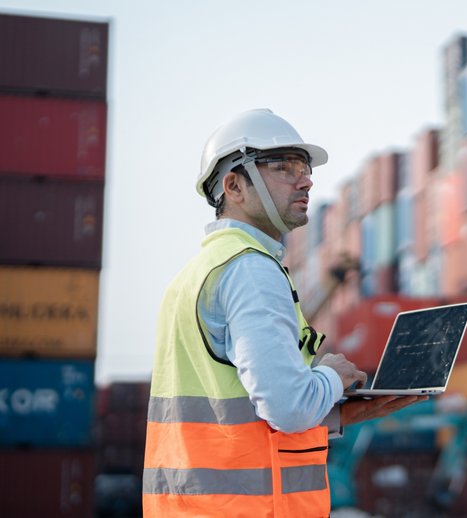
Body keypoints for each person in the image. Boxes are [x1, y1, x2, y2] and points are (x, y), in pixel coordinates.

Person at [142, 109, 424, 517]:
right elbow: (287, 408)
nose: (306, 179)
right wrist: (333, 376)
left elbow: (233, 417)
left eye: (305, 167)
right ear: (234, 186)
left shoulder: (195, 276)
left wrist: (335, 412)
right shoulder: (251, 268)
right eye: (283, 166)